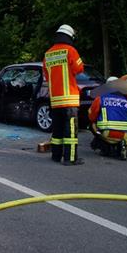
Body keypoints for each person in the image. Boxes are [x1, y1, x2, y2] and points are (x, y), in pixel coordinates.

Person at [42, 24, 85, 165]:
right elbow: (79, 69)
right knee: (71, 132)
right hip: (69, 100)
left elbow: (47, 76)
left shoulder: (48, 54)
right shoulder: (70, 51)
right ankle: (70, 158)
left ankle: (56, 156)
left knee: (57, 131)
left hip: (55, 101)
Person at [88, 81, 127, 160]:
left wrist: (95, 121)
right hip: (124, 134)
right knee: (122, 135)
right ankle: (122, 146)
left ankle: (104, 148)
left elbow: (91, 116)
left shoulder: (101, 98)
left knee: (92, 124)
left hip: (106, 132)